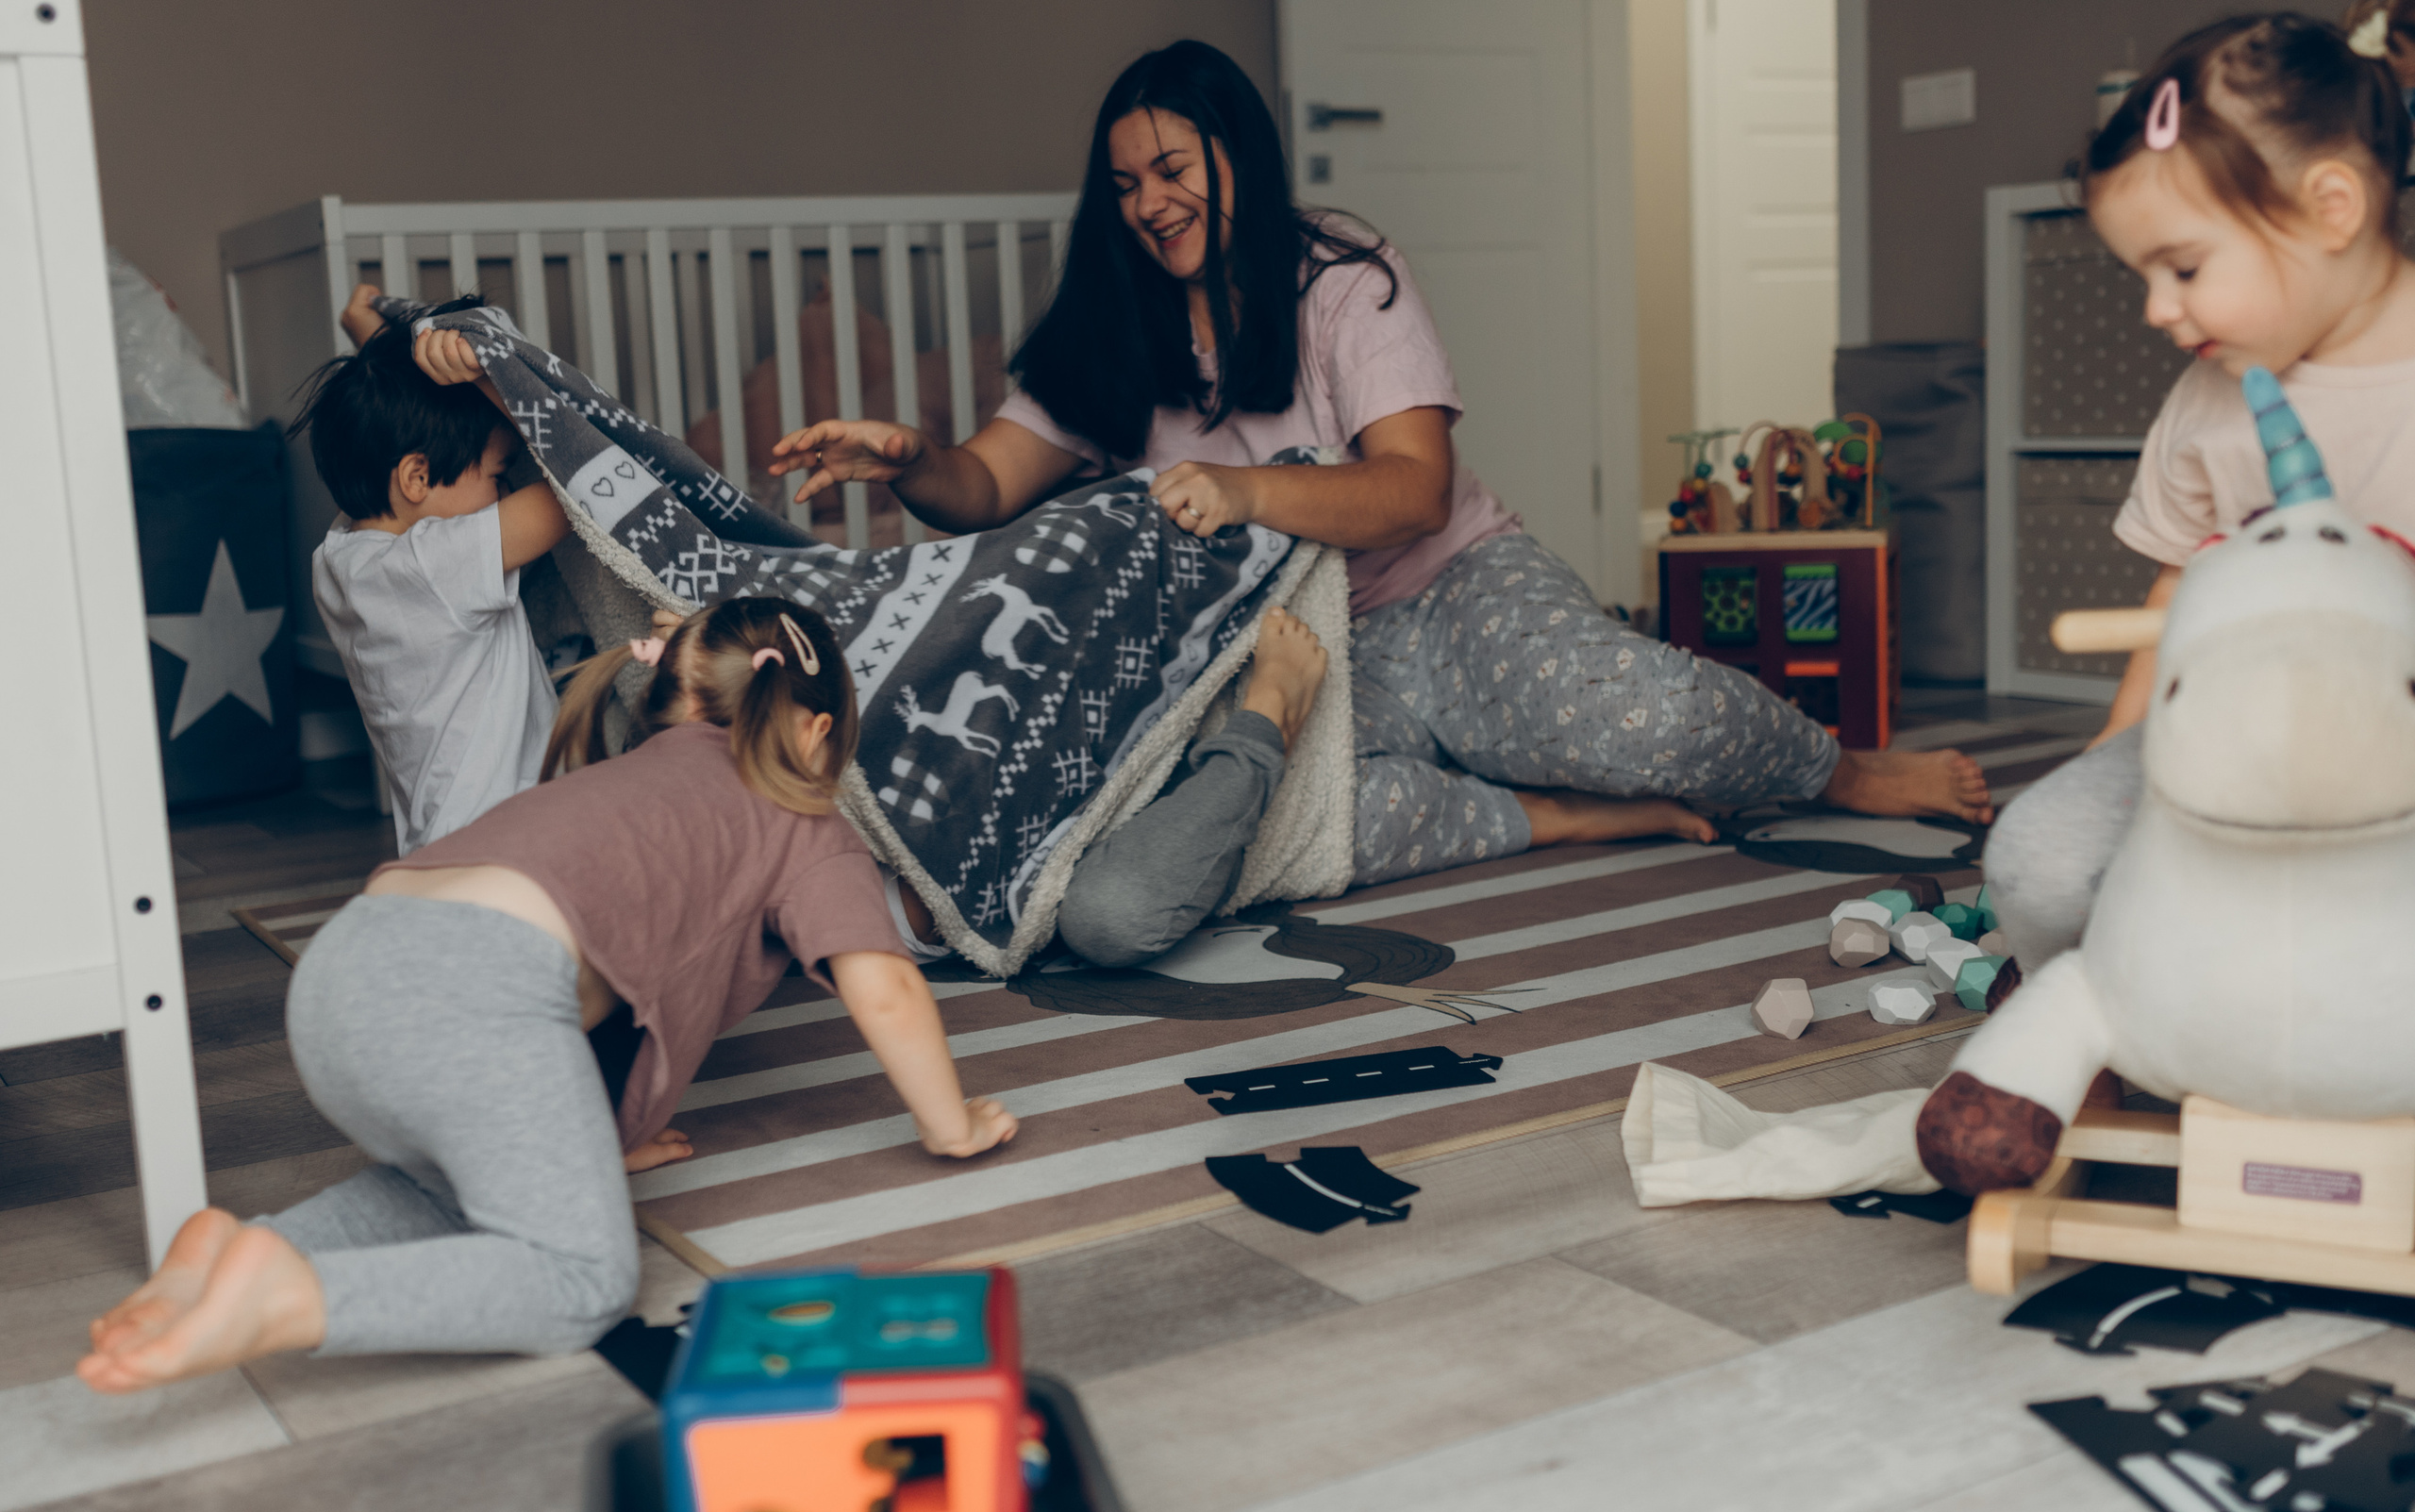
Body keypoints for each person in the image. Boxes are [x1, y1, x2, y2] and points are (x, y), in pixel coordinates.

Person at [768, 41, 1992, 968]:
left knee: (1651, 719)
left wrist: (1252, 491)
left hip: (1446, 588)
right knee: (1268, 828)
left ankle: (1838, 771)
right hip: (1290, 656)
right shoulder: (1105, 329)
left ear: (1235, 154)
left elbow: (1415, 491)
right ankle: (1558, 817)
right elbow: (980, 484)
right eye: (1128, 182)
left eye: (1174, 168)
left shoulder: (1340, 273)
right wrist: (907, 454)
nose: (1151, 201)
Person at [78, 598, 1018, 1392]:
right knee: (581, 1279)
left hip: (341, 970)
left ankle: (233, 1253)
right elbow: (885, 982)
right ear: (815, 732)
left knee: (461, 1192)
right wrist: (951, 1123)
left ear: (674, 698)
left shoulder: (624, 780)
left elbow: (596, 985)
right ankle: (294, 1297)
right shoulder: (797, 815)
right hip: (472, 989)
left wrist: (582, 1132)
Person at [1984, 11, 2415, 976]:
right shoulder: (2208, 400)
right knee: (2038, 860)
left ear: (2331, 208)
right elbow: (2174, 594)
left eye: (2182, 267)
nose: (2156, 309)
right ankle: (2094, 1016)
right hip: (2220, 744)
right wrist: (2112, 752)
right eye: (2142, 274)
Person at [293, 292, 569, 855]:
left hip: (444, 841)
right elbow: (577, 484)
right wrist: (496, 382)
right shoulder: (436, 565)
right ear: (417, 477)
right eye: (498, 473)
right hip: (513, 838)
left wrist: (375, 336)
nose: (507, 490)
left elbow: (382, 436)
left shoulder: (342, 555)